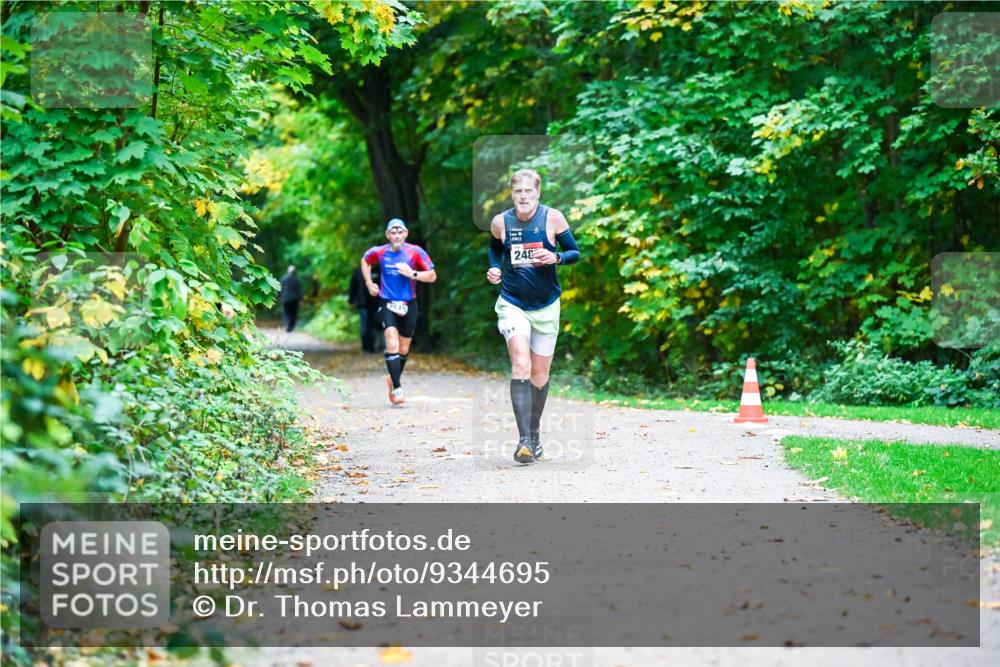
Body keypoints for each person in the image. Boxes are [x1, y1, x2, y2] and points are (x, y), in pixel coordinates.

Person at [487, 169, 580, 464]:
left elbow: (575, 252)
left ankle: (535, 432)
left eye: (529, 191)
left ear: (538, 193)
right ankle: (523, 440)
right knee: (521, 364)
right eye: (518, 192)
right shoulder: (501, 222)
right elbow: (494, 251)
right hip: (512, 303)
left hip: (546, 305)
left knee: (540, 375)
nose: (523, 196)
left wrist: (557, 258)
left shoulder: (553, 218)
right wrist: (495, 269)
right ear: (512, 194)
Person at [361, 218, 437, 404]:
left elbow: (432, 276)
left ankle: (392, 378)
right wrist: (369, 283)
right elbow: (365, 260)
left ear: (406, 234)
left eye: (399, 232)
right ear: (387, 235)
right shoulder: (380, 252)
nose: (396, 236)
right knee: (392, 344)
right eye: (392, 233)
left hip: (409, 304)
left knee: (403, 349)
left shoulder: (415, 252)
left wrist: (413, 273)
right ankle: (397, 388)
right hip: (387, 303)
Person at [349, 265, 381, 353]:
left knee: (374, 325)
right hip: (362, 303)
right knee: (365, 325)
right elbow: (353, 286)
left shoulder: (378, 270)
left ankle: (372, 347)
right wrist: (351, 301)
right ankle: (366, 347)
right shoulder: (358, 271)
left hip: (376, 303)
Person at [279, 265, 302, 332]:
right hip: (294, 300)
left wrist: (279, 297)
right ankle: (291, 327)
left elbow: (280, 288)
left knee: (286, 313)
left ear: (288, 271)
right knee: (293, 314)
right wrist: (300, 299)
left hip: (285, 299)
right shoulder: (296, 279)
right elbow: (299, 290)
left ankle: (287, 325)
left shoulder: (283, 278)